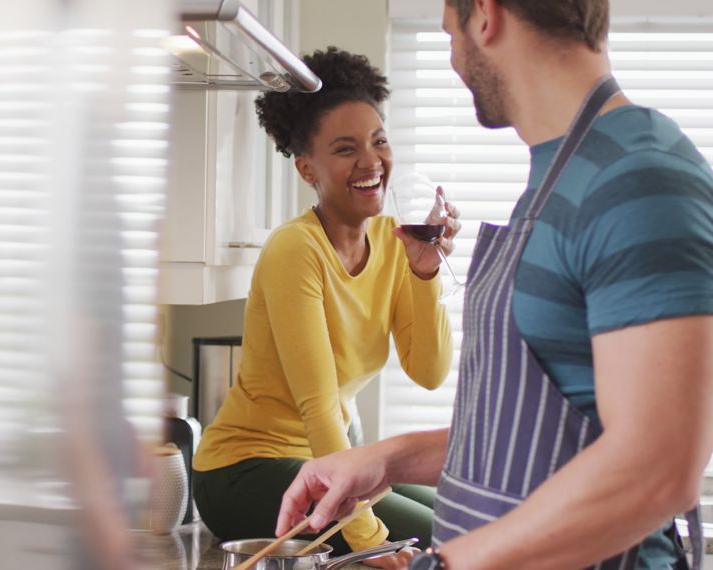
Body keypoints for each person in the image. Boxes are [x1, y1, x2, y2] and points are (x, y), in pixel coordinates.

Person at [276, 2, 713, 569]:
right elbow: (534, 438)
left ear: (484, 15)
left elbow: (659, 470)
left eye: (448, 35)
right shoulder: (564, 172)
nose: (454, 58)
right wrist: (387, 459)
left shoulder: (638, 178)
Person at [191, 47, 462, 569]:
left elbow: (428, 372)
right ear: (307, 168)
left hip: (329, 466)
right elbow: (318, 409)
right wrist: (369, 541)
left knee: (470, 520)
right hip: (245, 472)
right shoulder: (296, 250)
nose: (371, 161)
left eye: (379, 141)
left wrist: (424, 270)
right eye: (345, 149)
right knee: (445, 543)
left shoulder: (393, 237)